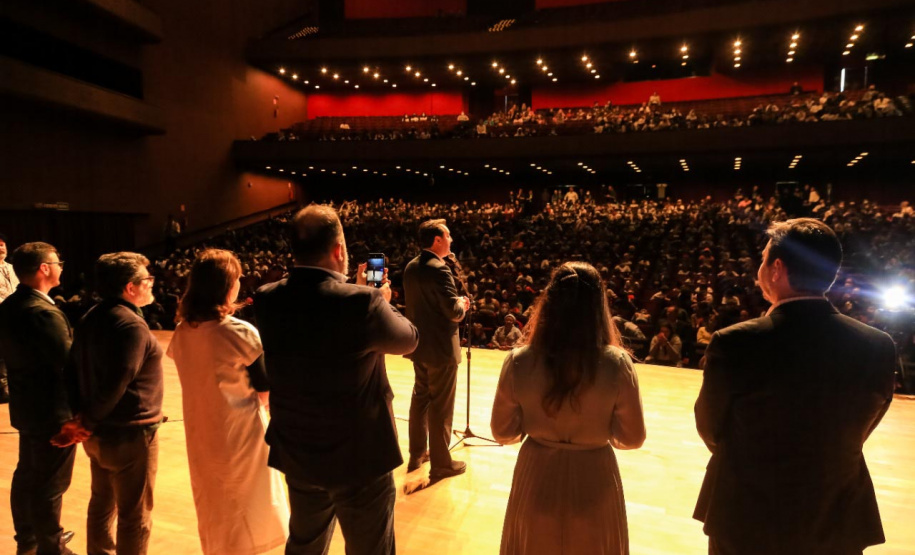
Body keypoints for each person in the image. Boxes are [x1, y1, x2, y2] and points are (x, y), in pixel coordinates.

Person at [694, 218, 897, 554]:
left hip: (748, 511)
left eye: (762, 260)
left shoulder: (736, 343)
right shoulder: (878, 345)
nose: (758, 269)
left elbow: (712, 429)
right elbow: (867, 422)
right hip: (836, 510)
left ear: (777, 269)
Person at [254, 205, 418, 555]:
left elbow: (317, 321)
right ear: (339, 251)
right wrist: (380, 299)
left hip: (297, 449)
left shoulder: (268, 299)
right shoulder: (364, 303)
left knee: (305, 544)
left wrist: (360, 293)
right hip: (357, 456)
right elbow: (409, 340)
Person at [491, 262, 645, 554]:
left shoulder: (518, 360)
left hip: (536, 476)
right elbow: (633, 438)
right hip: (595, 476)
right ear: (599, 308)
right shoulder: (617, 363)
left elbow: (503, 432)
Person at [166, 249, 288, 555]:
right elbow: (264, 388)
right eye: (236, 278)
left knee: (214, 498)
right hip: (239, 430)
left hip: (201, 430)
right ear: (225, 285)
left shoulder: (182, 332)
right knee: (248, 499)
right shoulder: (238, 332)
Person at [67, 252, 164, 555]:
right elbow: (118, 380)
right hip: (130, 434)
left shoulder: (90, 316)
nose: (152, 285)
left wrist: (81, 419)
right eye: (147, 280)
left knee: (101, 503)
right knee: (134, 515)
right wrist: (88, 420)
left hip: (97, 433)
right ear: (129, 288)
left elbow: (71, 370)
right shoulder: (130, 326)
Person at [0, 242, 78, 555]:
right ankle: (52, 546)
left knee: (27, 475)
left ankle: (28, 540)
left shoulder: (9, 306)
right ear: (44, 268)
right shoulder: (43, 313)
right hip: (52, 411)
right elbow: (67, 365)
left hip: (26, 405)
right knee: (51, 483)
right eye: (58, 261)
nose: (61, 266)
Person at [403, 219, 470, 479]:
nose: (452, 240)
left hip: (418, 345)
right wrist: (463, 304)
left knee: (420, 399)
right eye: (448, 236)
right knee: (441, 405)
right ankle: (441, 464)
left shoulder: (410, 267)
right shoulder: (440, 269)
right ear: (437, 240)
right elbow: (453, 311)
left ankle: (416, 454)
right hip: (441, 349)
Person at [0, 233, 19, 404]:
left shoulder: (13, 268)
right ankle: (3, 390)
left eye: (3, 245)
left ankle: (13, 387)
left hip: (15, 316)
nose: (1, 248)